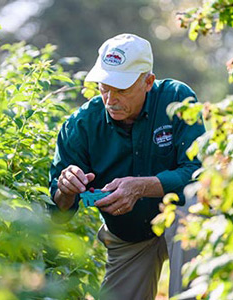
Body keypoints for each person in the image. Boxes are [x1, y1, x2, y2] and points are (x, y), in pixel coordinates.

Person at [49, 33, 205, 300]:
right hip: (129, 236)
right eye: (104, 87)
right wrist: (66, 189)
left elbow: (199, 173)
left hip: (180, 221)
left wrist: (142, 187)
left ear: (148, 82)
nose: (110, 99)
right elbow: (59, 211)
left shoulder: (176, 100)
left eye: (121, 90)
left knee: (190, 205)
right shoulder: (80, 126)